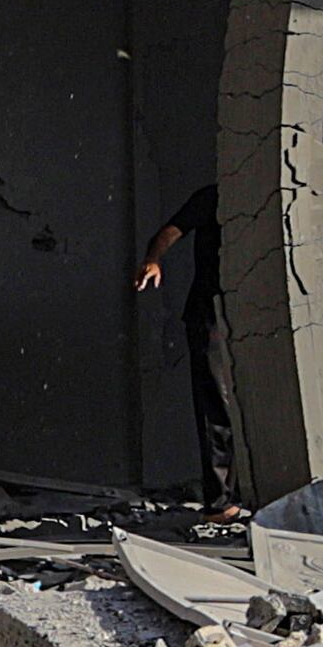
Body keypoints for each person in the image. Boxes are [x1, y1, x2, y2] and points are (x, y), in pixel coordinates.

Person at [132, 179, 245, 511]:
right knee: (215, 406)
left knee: (243, 406)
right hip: (209, 313)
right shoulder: (214, 196)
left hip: (249, 312)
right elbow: (170, 231)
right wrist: (153, 259)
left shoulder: (266, 199)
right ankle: (222, 499)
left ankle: (244, 492)